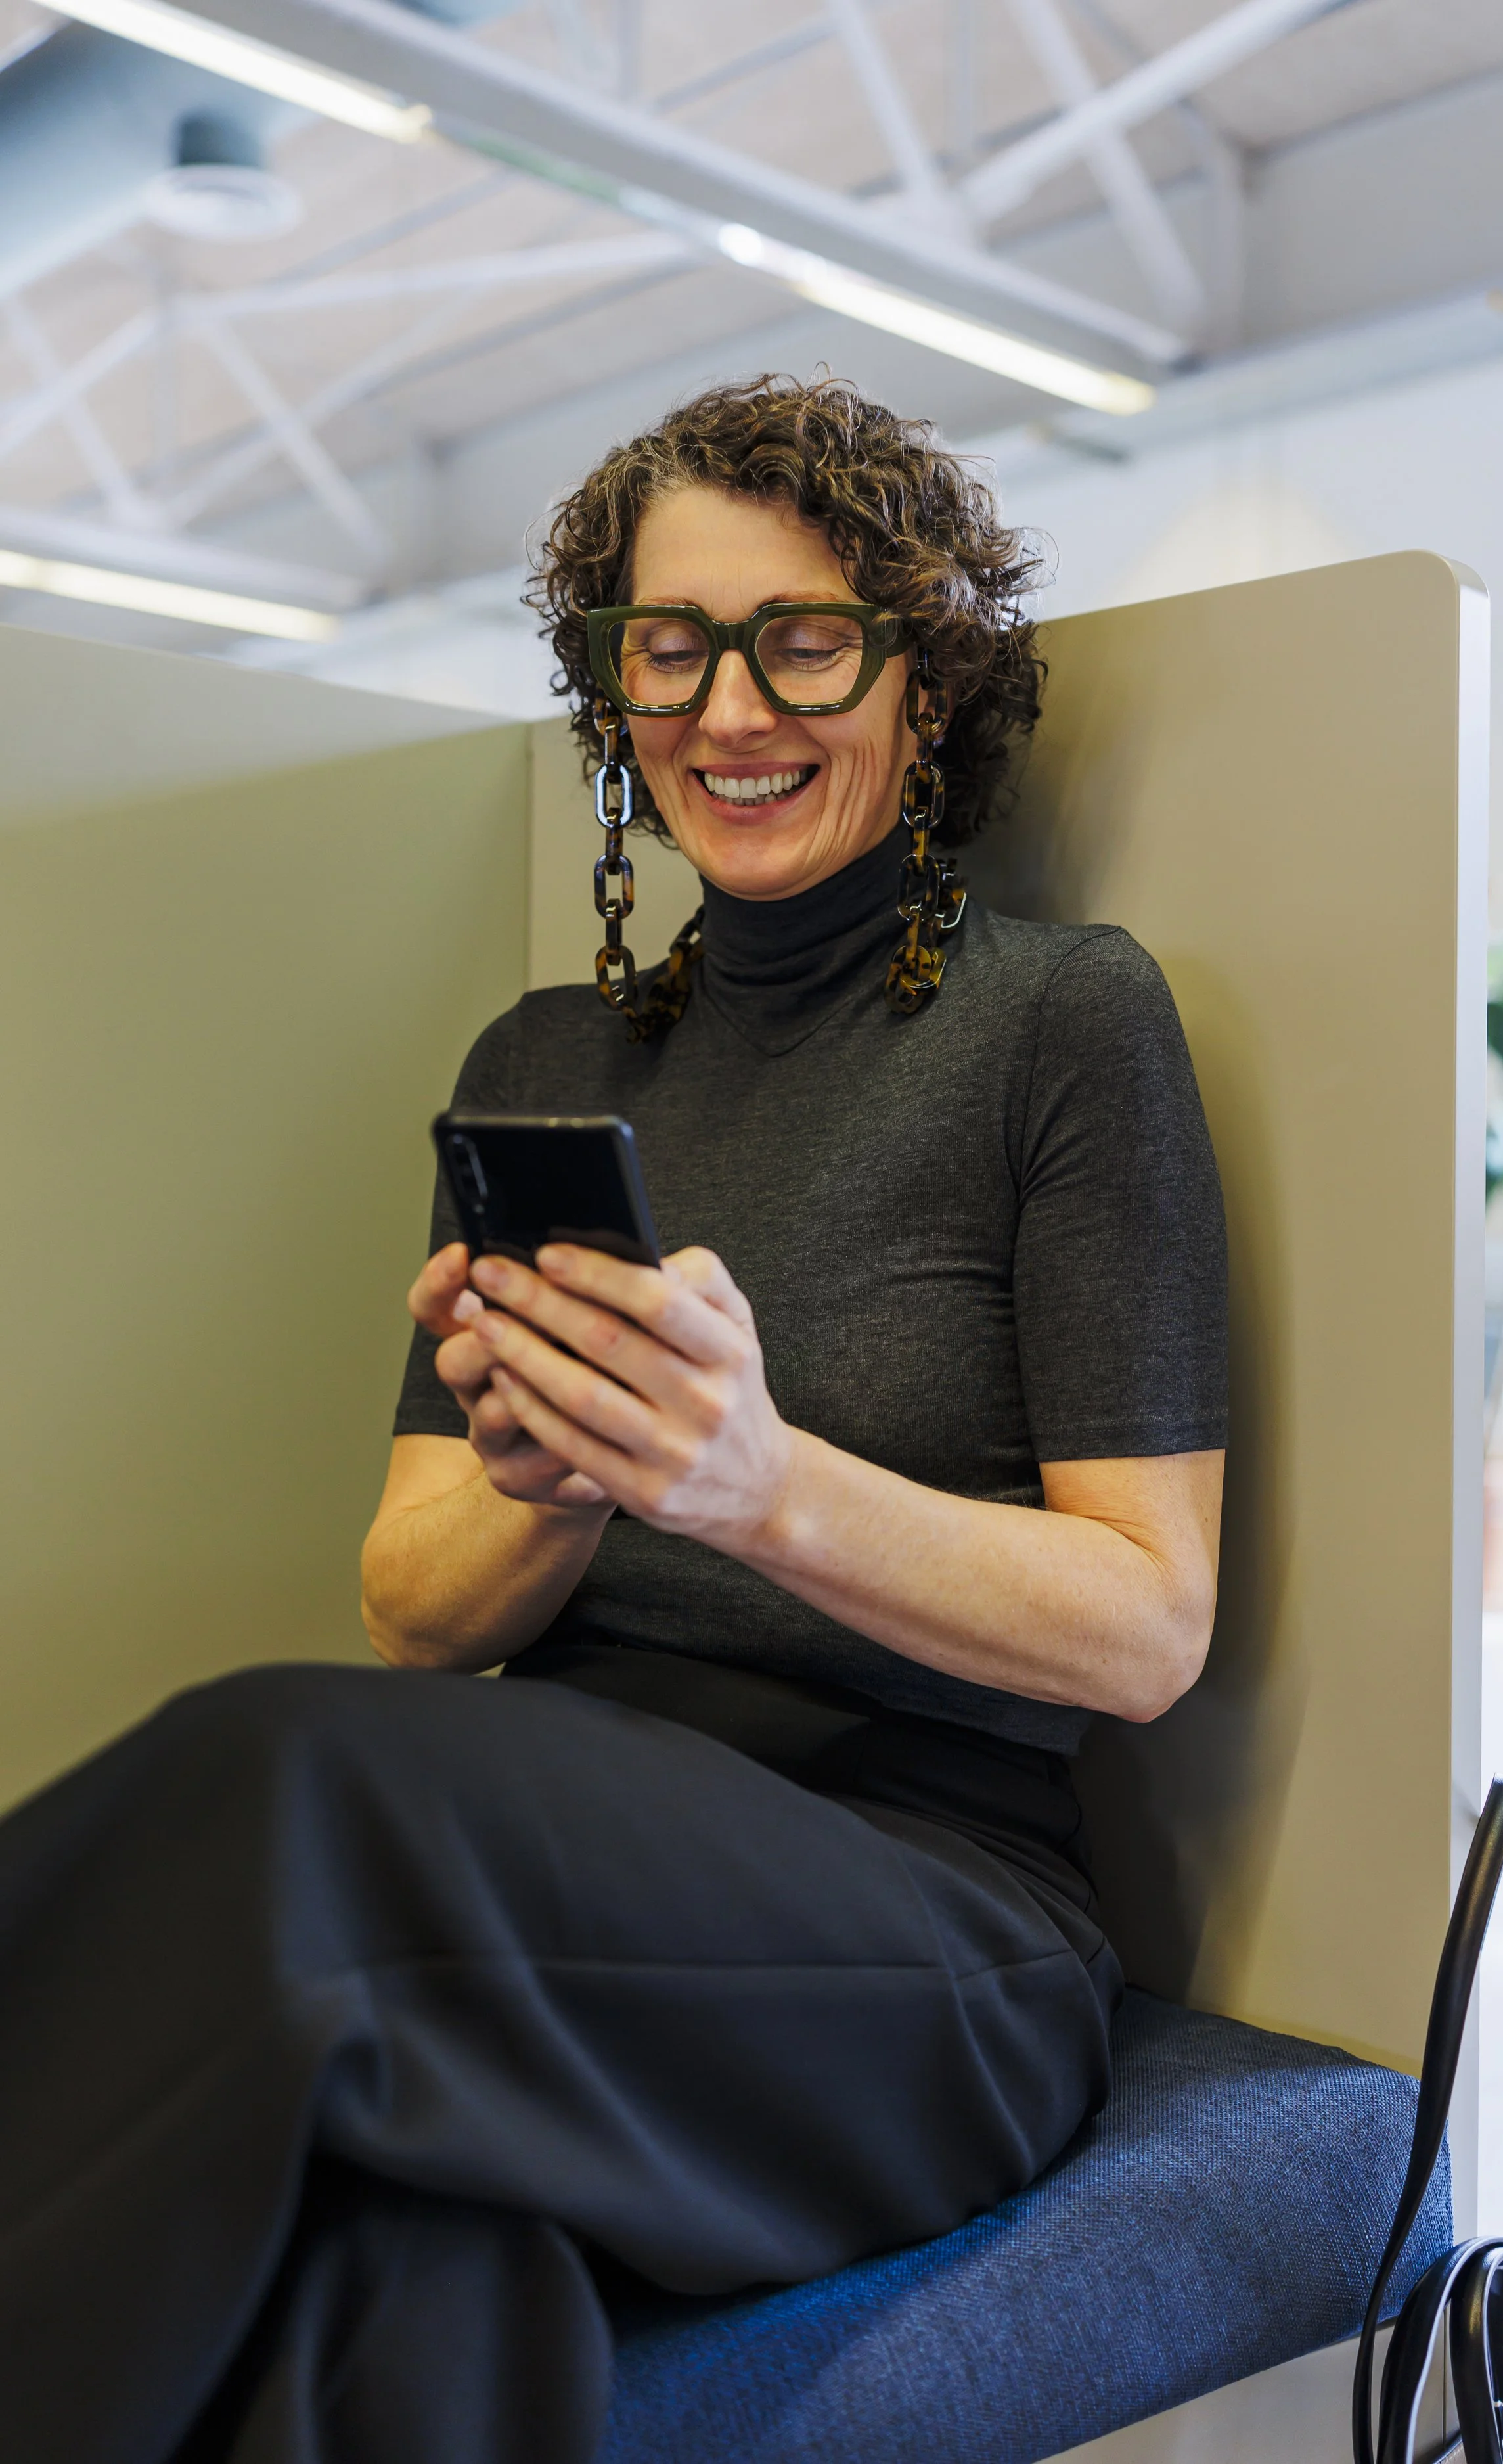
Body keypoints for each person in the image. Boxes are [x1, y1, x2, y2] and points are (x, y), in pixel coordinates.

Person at [0, 376, 1226, 2464]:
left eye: (800, 637)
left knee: (288, 1769)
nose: (729, 708)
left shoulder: (1062, 1021)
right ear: (612, 693)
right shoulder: (550, 1052)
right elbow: (414, 1599)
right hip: (552, 1884)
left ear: (917, 677)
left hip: (924, 1929)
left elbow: (1146, 1622)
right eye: (670, 647)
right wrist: (551, 1481)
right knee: (407, 2276)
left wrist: (756, 1486)